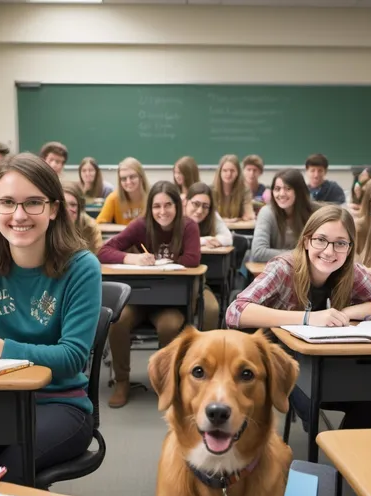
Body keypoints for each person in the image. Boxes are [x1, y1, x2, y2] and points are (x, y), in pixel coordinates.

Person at [0, 153, 101, 484]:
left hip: (60, 405)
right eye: (7, 202)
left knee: (4, 475)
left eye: (33, 202)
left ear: (54, 208)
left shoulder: (81, 267)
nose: (19, 215)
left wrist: (2, 348)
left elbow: (73, 357)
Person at [226, 205, 371, 430]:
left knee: (369, 402)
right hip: (280, 364)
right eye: (321, 240)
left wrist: (348, 313)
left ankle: (346, 464)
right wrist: (308, 318)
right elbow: (235, 311)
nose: (329, 251)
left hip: (323, 361)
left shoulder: (350, 272)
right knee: (310, 398)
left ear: (349, 248)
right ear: (307, 241)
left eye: (340, 243)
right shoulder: (284, 267)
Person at [98, 181, 201, 408]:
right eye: (156, 206)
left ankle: (166, 382)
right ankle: (122, 381)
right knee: (118, 321)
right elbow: (103, 251)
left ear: (177, 206)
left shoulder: (188, 226)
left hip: (170, 301)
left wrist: (163, 261)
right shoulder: (141, 225)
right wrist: (131, 258)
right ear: (150, 208)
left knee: (169, 326)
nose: (162, 212)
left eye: (168, 205)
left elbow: (193, 259)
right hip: (138, 300)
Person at [184, 182, 232, 331]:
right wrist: (204, 240)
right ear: (186, 201)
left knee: (211, 309)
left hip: (200, 282)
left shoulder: (212, 217)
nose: (200, 210)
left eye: (205, 206)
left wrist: (215, 240)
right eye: (196, 204)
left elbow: (228, 238)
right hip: (175, 279)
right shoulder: (175, 214)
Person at [251, 168, 318, 262]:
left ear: (299, 191)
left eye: (288, 188)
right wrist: (301, 254)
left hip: (306, 270)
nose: (281, 194)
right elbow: (258, 253)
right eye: (277, 189)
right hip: (276, 270)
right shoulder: (267, 212)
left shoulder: (315, 212)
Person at [96, 157, 149, 225]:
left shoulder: (152, 196)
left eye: (132, 177)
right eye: (123, 179)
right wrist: (127, 229)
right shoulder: (113, 198)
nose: (128, 182)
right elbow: (99, 225)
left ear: (141, 177)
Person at [62, 181, 103, 254]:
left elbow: (96, 256)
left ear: (80, 207)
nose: (67, 210)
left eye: (73, 205)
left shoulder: (90, 227)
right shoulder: (47, 226)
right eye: (63, 205)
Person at [212, 154, 255, 222]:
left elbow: (249, 215)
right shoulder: (211, 191)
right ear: (220, 172)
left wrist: (248, 216)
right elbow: (210, 218)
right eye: (225, 170)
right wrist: (229, 221)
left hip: (237, 230)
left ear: (238, 172)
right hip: (217, 230)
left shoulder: (245, 191)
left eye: (232, 170)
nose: (228, 174)